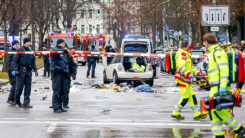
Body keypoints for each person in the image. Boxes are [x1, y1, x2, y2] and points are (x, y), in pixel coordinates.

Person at [203, 33, 245, 138]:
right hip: (215, 87)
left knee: (216, 110)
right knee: (214, 112)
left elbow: (224, 69)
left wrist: (222, 86)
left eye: (205, 43)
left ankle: (239, 129)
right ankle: (219, 135)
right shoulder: (214, 52)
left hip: (218, 87)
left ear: (207, 43)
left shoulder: (217, 52)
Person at [171, 40, 206, 120]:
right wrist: (188, 74)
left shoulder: (186, 54)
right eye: (189, 46)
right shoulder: (182, 54)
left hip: (187, 80)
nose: (189, 47)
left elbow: (190, 68)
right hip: (182, 79)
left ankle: (197, 114)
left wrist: (198, 73)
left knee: (192, 97)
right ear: (187, 46)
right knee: (185, 97)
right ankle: (175, 113)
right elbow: (182, 67)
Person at [13, 38, 38, 108]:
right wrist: (16, 70)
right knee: (19, 88)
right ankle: (17, 101)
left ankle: (26, 103)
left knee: (28, 88)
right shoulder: (19, 50)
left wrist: (35, 70)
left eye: (30, 42)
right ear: (24, 43)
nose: (29, 43)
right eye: (28, 42)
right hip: (21, 71)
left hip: (28, 72)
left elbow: (33, 61)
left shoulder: (30, 51)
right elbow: (15, 61)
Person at [50, 39, 69, 113]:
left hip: (63, 72)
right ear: (59, 43)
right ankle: (55, 106)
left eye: (64, 43)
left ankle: (60, 106)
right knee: (57, 90)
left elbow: (65, 62)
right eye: (63, 43)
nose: (64, 44)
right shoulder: (55, 50)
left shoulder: (63, 51)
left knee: (62, 90)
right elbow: (53, 58)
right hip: (57, 72)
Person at [63, 43, 77, 108]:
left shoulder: (69, 56)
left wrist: (74, 74)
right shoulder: (58, 54)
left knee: (66, 90)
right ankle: (57, 104)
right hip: (59, 75)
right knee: (58, 90)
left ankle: (65, 103)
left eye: (66, 47)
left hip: (67, 75)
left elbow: (73, 65)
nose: (65, 49)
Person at [6, 40, 19, 105]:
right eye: (16, 44)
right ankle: (10, 99)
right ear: (13, 45)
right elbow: (9, 62)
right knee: (14, 85)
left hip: (15, 70)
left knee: (16, 85)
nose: (17, 45)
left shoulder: (16, 51)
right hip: (11, 71)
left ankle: (13, 99)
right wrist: (12, 70)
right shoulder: (11, 52)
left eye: (18, 44)